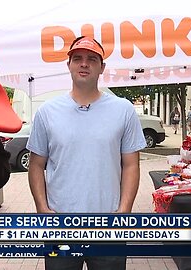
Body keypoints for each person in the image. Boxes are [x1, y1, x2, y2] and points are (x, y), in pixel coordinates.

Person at [26, 36, 146, 270]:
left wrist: (124, 211)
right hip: (60, 226)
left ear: (102, 68)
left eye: (92, 59)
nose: (84, 64)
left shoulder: (123, 110)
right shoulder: (47, 112)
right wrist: (42, 207)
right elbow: (36, 165)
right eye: (78, 58)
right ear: (68, 64)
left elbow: (131, 164)